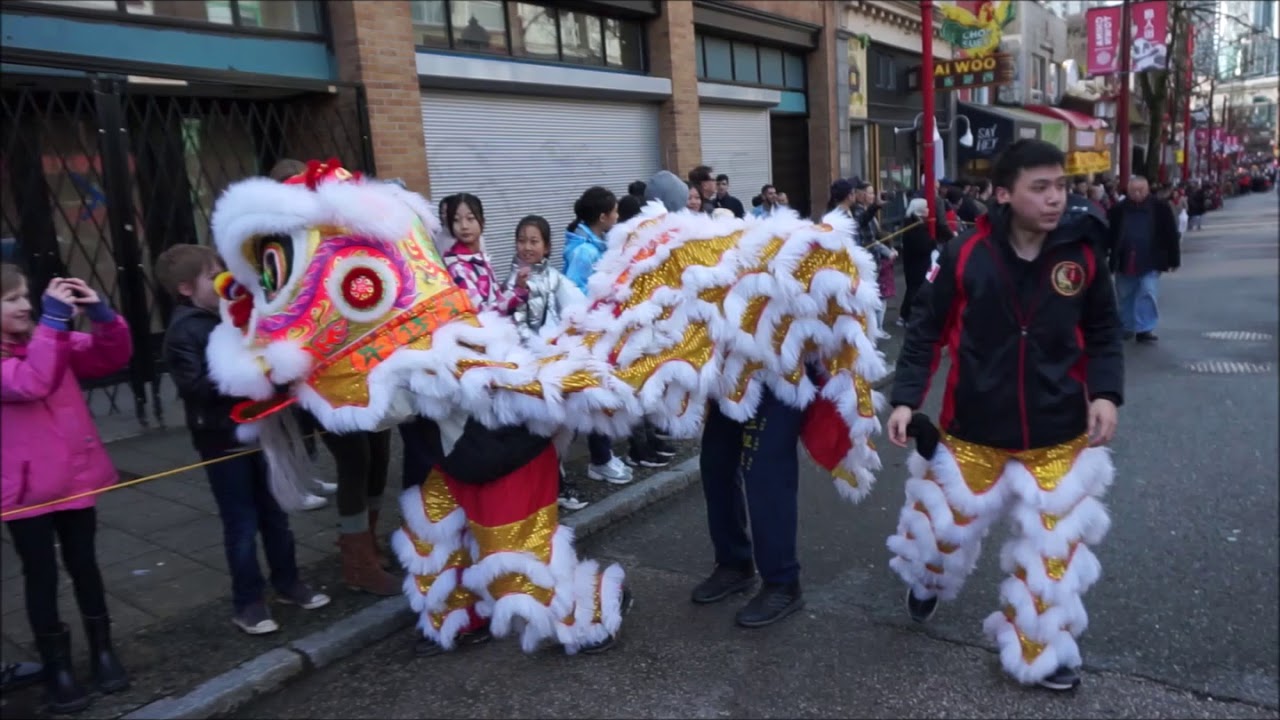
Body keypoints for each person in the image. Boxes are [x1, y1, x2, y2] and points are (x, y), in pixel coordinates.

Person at [884, 139, 1123, 692]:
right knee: (939, 542)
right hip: (973, 434)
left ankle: (1039, 653)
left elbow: (1106, 333)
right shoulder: (966, 253)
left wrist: (1106, 393)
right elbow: (924, 330)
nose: (1055, 198)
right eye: (1040, 188)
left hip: (1059, 435)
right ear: (1003, 194)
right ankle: (926, 580)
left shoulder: (1083, 254)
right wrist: (905, 399)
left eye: (1060, 186)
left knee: (1051, 561)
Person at [157, 244, 330, 636]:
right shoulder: (184, 331)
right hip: (222, 440)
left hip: (261, 430)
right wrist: (246, 377)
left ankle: (288, 582)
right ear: (186, 288)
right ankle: (248, 602)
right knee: (241, 522)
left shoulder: (228, 317)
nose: (223, 277)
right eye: (212, 272)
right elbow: (196, 385)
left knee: (275, 513)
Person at [1, 266, 132, 713]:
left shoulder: (46, 339)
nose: (25, 305)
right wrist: (55, 324)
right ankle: (57, 669)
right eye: (10, 299)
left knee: (85, 564)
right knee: (41, 576)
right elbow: (30, 382)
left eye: (24, 296)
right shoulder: (40, 343)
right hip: (25, 491)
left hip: (73, 478)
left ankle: (102, 650)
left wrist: (103, 315)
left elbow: (107, 356)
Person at [506, 214, 590, 511]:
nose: (527, 247)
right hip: (521, 367)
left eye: (534, 241)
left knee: (557, 427)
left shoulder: (557, 280)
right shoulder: (511, 278)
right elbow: (501, 312)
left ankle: (556, 478)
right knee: (530, 429)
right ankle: (543, 484)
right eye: (522, 240)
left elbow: (578, 309)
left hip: (553, 365)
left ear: (547, 246)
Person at [562, 187, 641, 482]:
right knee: (592, 397)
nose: (618, 217)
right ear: (602, 216)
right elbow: (574, 293)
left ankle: (602, 455)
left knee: (598, 396)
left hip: (597, 331)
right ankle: (598, 459)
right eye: (615, 212)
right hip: (588, 334)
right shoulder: (584, 250)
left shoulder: (594, 243)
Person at [1106, 176, 1180, 343]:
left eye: (1141, 190)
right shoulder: (1118, 210)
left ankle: (1144, 328)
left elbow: (1171, 234)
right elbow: (1109, 235)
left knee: (1148, 292)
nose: (1137, 194)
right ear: (1128, 191)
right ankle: (1127, 326)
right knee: (1125, 294)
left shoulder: (1160, 208)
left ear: (1147, 190)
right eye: (1134, 191)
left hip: (1150, 258)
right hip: (1124, 258)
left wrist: (1174, 259)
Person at [443, 193, 528, 315]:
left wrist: (519, 287)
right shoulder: (457, 268)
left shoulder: (480, 259)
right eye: (456, 220)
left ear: (482, 221)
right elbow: (482, 313)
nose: (464, 226)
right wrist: (518, 292)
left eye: (470, 218)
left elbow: (497, 300)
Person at [898, 197, 953, 327]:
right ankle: (909, 316)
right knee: (914, 290)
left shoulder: (918, 223)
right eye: (926, 208)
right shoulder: (914, 226)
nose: (928, 210)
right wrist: (933, 243)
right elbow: (921, 245)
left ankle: (906, 315)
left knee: (914, 289)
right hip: (916, 263)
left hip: (918, 262)